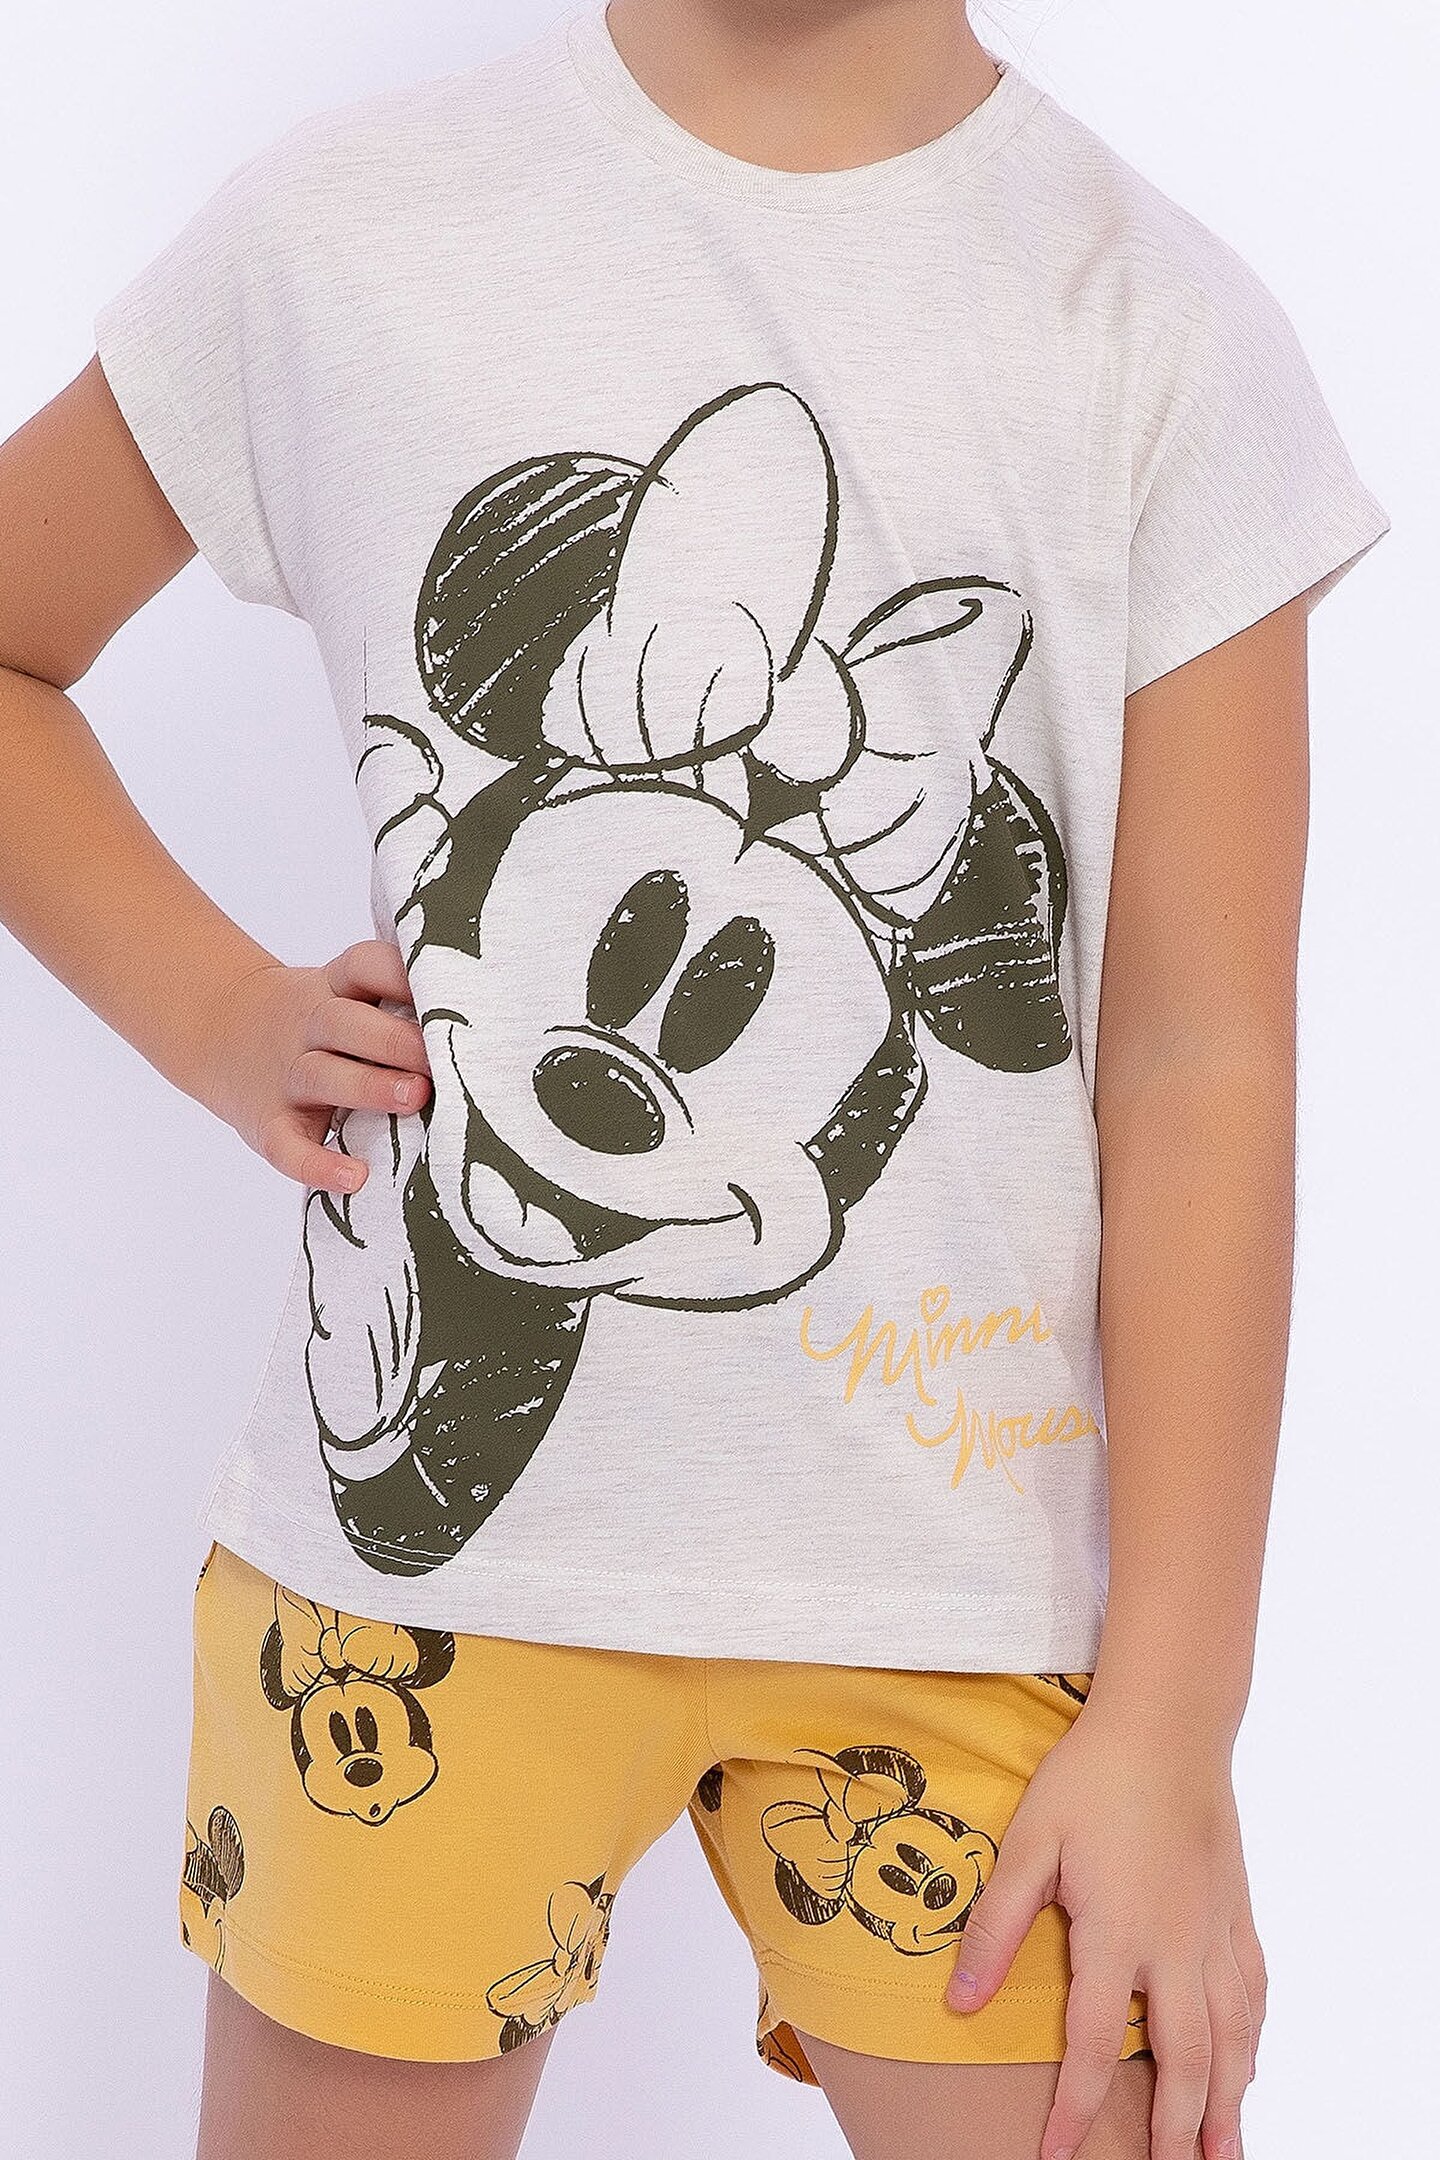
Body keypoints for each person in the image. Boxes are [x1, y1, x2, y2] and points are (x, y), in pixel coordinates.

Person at [0, 2, 1388, 2156]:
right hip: (415, 1605)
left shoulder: (1163, 333)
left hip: (973, 1597)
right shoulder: (350, 230)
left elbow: (1206, 1060)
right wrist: (212, 1011)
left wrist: (1181, 1718)